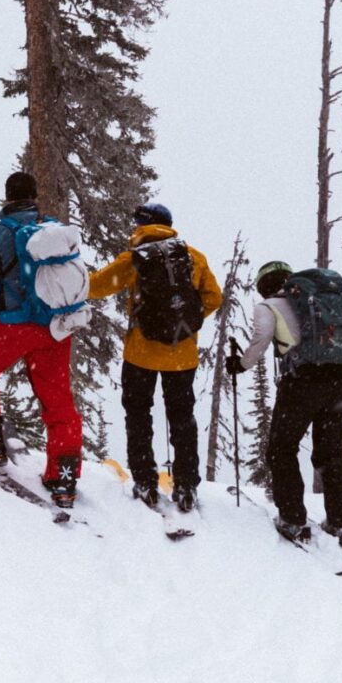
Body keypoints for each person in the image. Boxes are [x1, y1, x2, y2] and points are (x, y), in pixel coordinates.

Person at [0, 172, 87, 508]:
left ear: (8, 197)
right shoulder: (53, 230)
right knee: (58, 398)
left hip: (14, 326)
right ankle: (64, 474)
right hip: (55, 328)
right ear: (34, 195)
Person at [87, 203, 222, 513]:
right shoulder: (192, 256)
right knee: (182, 418)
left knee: (138, 414)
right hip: (182, 356)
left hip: (140, 354)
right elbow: (214, 297)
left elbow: (96, 286)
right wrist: (185, 324)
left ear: (142, 226)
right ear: (169, 225)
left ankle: (145, 481)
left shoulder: (136, 258)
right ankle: (186, 485)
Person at [236, 260, 342, 556]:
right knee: (331, 454)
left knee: (282, 449)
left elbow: (260, 341)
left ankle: (293, 519)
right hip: (341, 381)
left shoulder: (269, 305)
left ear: (264, 286)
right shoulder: (319, 300)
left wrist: (240, 364)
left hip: (302, 382)